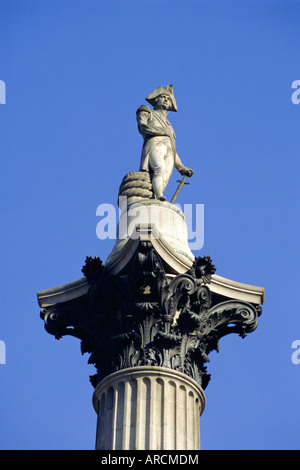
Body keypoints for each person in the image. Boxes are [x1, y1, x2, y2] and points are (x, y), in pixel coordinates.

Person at [136, 85, 194, 201]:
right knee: (159, 169)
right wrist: (163, 131)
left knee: (164, 178)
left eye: (168, 99)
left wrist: (181, 167)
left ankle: (155, 197)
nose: (166, 100)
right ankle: (159, 196)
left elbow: (173, 148)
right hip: (155, 145)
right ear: (156, 99)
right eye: (163, 97)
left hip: (169, 152)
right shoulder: (147, 112)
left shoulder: (169, 125)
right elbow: (143, 128)